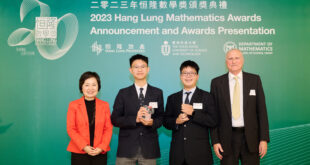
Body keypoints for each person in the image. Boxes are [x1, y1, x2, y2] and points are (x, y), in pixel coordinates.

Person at [210, 49, 270, 165]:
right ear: (226, 62)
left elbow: (262, 111)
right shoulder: (216, 83)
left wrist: (263, 139)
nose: (233, 61)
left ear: (242, 60)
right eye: (230, 58)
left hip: (251, 139)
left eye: (237, 58)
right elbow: (214, 115)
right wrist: (215, 141)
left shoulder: (254, 80)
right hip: (226, 140)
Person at [111, 54, 164, 165]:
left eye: (143, 66)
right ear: (131, 70)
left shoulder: (157, 92)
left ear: (148, 69)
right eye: (136, 67)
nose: (139, 69)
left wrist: (152, 122)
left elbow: (161, 117)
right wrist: (135, 119)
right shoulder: (123, 93)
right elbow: (115, 119)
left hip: (149, 148)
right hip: (126, 148)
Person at [163, 60, 217, 165]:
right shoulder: (172, 98)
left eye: (192, 73)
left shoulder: (207, 96)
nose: (188, 76)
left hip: (200, 154)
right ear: (180, 76)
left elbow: (213, 121)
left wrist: (194, 113)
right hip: (178, 155)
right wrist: (176, 121)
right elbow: (165, 121)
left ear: (197, 76)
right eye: (185, 73)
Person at [67, 71, 113, 165]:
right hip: (79, 152)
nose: (90, 88)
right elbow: (71, 129)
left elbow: (108, 129)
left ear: (98, 87)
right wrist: (84, 146)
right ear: (81, 87)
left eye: (94, 85)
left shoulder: (105, 105)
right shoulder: (73, 105)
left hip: (99, 152)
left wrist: (101, 147)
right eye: (87, 85)